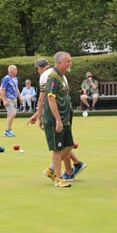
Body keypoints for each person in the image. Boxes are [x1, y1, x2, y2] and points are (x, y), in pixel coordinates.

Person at [30, 58, 87, 183]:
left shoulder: (47, 76)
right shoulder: (59, 75)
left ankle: (56, 170)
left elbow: (43, 99)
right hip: (66, 112)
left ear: (39, 68)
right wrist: (37, 114)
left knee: (61, 144)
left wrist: (40, 116)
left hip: (57, 114)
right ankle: (71, 169)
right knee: (64, 143)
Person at [39, 52, 74, 188]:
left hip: (64, 119)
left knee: (69, 145)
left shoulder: (61, 76)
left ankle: (52, 170)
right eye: (68, 61)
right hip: (55, 120)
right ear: (59, 63)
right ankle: (58, 179)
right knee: (57, 149)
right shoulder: (53, 77)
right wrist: (58, 120)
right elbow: (50, 98)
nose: (70, 64)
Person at [0, 65, 20, 137]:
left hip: (14, 98)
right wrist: (4, 100)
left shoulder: (15, 78)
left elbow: (16, 88)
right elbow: (2, 89)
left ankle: (8, 129)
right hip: (8, 98)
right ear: (11, 70)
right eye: (15, 69)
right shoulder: (6, 78)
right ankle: (7, 130)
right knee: (13, 113)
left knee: (10, 114)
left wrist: (20, 97)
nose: (17, 71)